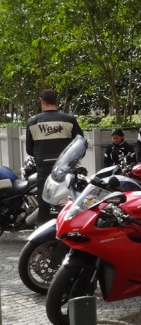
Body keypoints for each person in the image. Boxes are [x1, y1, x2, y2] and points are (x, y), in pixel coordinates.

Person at [26, 89, 84, 224]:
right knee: (68, 200)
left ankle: (42, 232)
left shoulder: (33, 122)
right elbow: (80, 143)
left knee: (44, 201)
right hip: (66, 167)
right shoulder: (69, 119)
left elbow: (29, 149)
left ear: (43, 102)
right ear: (56, 102)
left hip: (44, 168)